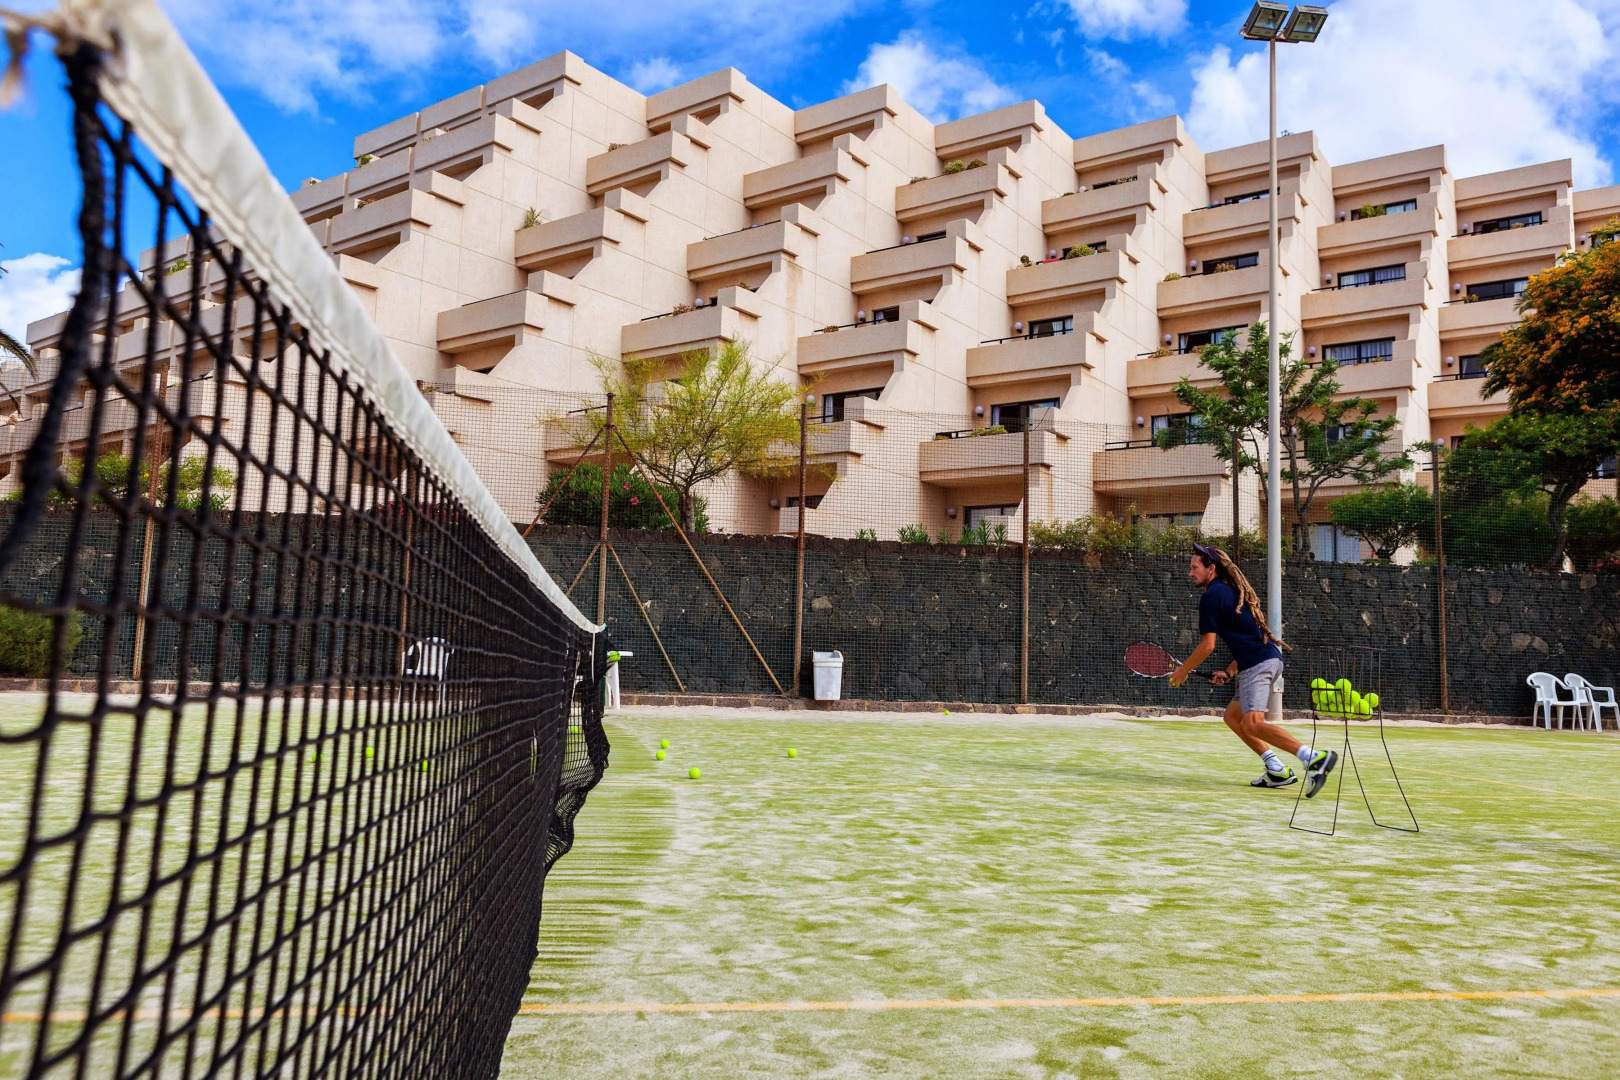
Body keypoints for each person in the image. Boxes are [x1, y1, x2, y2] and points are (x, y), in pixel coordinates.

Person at [1169, 543, 1338, 797]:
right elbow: (1247, 636)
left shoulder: (1211, 596)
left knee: (1254, 723)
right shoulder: (1229, 592)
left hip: (1258, 664)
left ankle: (1313, 757)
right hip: (1262, 660)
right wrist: (1229, 671)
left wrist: (1183, 670)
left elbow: (1208, 645)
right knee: (1233, 717)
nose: (1190, 573)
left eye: (1194, 567)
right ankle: (1276, 770)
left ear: (1211, 569)